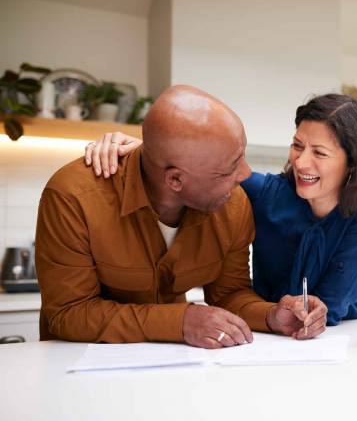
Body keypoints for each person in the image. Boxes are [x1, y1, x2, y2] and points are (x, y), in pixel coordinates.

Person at [36, 85, 327, 349]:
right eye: (228, 170)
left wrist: (272, 315)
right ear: (175, 180)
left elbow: (229, 294)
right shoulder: (73, 197)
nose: (245, 175)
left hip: (174, 371)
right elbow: (68, 313)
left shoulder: (232, 204)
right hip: (76, 369)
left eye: (241, 156)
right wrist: (180, 321)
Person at [86, 93, 357, 326]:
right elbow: (200, 165)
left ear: (354, 164)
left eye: (319, 152)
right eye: (297, 146)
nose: (301, 162)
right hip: (265, 329)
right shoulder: (267, 195)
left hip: (337, 337)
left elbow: (329, 306)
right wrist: (145, 150)